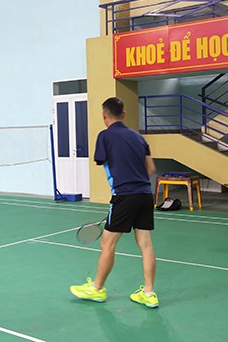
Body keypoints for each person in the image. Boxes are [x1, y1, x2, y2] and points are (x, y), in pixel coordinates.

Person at [70, 97, 159, 308]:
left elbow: (101, 160)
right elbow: (151, 168)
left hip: (124, 195)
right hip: (145, 195)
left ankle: (97, 289)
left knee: (107, 243)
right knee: (146, 244)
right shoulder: (138, 137)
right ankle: (149, 293)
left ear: (104, 115)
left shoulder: (105, 136)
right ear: (124, 114)